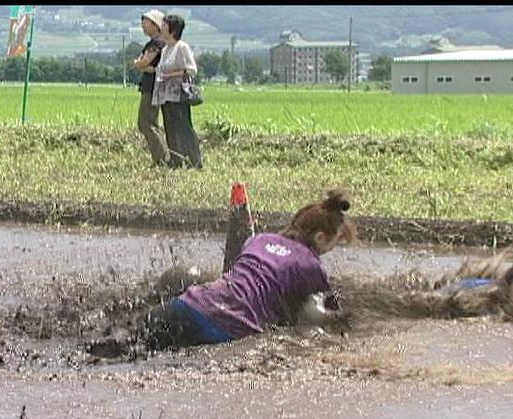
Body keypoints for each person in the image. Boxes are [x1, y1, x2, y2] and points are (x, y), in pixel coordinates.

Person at [105, 190, 357, 355]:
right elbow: (326, 313)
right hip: (224, 326)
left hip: (187, 303)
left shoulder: (259, 240)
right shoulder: (311, 265)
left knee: (120, 345)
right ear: (321, 238)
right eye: (335, 242)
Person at [152, 15, 203, 169]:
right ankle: (176, 160)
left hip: (178, 95)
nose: (162, 27)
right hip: (165, 95)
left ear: (173, 29)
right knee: (170, 128)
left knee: (184, 128)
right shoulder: (166, 49)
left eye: (165, 24)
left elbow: (191, 70)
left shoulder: (182, 47)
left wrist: (170, 75)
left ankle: (194, 161)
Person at [133, 10, 170, 167]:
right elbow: (143, 64)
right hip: (152, 86)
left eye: (146, 22)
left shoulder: (157, 43)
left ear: (155, 24)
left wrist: (139, 64)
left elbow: (142, 62)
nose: (143, 25)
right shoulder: (157, 42)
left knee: (146, 123)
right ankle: (163, 156)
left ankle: (162, 159)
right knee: (151, 123)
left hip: (152, 87)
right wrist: (142, 65)